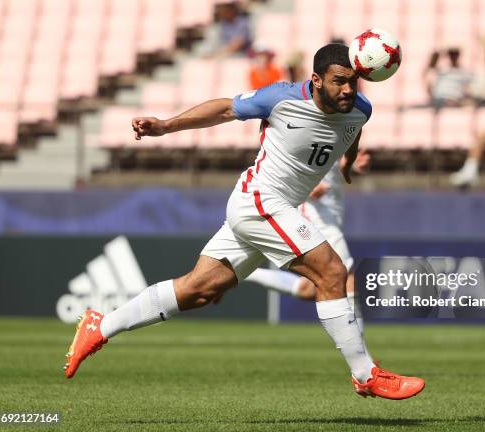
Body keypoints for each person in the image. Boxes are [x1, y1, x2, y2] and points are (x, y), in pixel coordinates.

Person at [62, 44, 425, 401]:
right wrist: (164, 126)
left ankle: (100, 325)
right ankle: (366, 375)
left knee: (197, 291)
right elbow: (223, 108)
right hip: (260, 202)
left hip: (268, 209)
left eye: (354, 82)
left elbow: (350, 133)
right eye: (339, 81)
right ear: (316, 80)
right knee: (332, 273)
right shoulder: (280, 98)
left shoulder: (359, 108)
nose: (347, 90)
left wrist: (346, 165)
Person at [245, 149, 371, 333]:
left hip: (332, 216)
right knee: (346, 276)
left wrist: (352, 165)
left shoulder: (337, 128)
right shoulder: (302, 132)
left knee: (310, 289)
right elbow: (282, 170)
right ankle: (362, 356)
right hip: (315, 215)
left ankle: (246, 273)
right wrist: (306, 189)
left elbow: (337, 165)